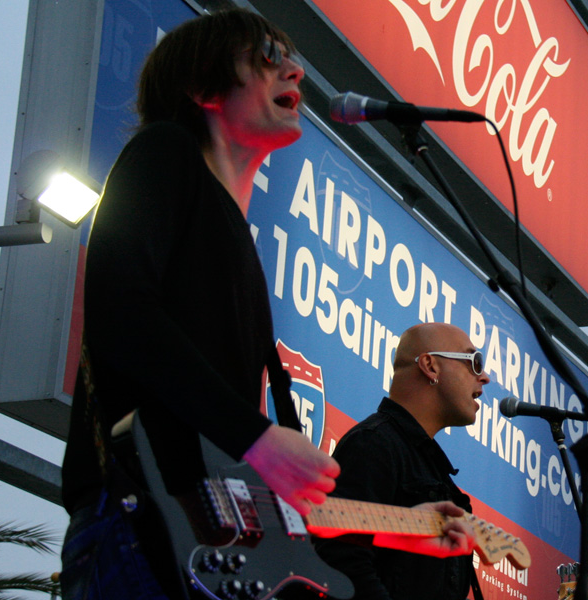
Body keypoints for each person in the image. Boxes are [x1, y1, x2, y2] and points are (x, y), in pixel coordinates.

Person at [58, 9, 474, 600]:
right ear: (203, 88)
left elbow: (245, 489)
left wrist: (406, 530)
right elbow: (119, 310)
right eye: (267, 57)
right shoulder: (165, 151)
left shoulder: (238, 245)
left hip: (194, 545)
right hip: (136, 526)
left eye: (291, 58)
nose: (295, 71)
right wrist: (255, 436)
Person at [315, 322, 491, 600]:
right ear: (430, 366)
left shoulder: (438, 474)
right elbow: (342, 559)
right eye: (474, 362)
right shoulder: (373, 444)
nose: (485, 377)